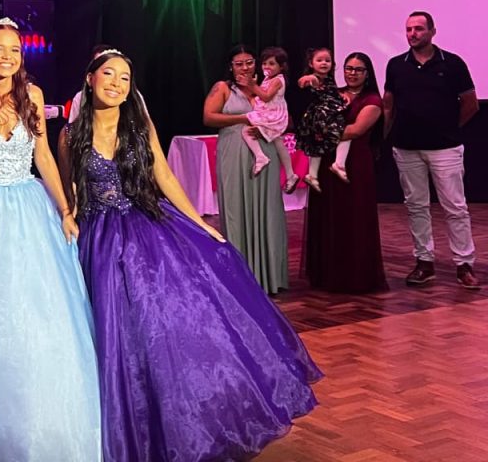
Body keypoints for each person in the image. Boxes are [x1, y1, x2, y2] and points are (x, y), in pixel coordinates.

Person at [60, 50, 321, 462]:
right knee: (110, 331)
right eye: (108, 74)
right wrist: (68, 225)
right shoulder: (70, 135)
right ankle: (123, 423)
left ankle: (182, 419)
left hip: (145, 226)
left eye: (125, 78)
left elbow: (163, 175)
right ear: (90, 79)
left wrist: (200, 224)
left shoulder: (139, 125)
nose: (116, 83)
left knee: (162, 323)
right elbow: (71, 188)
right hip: (99, 236)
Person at [0, 17, 100, 461]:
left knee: (38, 308)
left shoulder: (32, 95)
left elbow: (44, 156)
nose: (8, 56)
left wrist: (65, 209)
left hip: (29, 207)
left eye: (15, 49)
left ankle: (41, 410)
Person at [385, 11, 480, 290]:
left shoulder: (452, 63)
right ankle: (424, 263)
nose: (412, 34)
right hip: (406, 148)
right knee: (416, 207)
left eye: (418, 29)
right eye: (408, 29)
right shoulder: (396, 65)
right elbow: (388, 105)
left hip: (445, 148)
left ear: (432, 31)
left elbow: (471, 104)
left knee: (455, 207)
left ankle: (464, 265)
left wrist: (448, 128)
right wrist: (382, 139)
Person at [203, 45, 288, 295]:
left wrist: (266, 125)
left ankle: (269, 276)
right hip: (233, 151)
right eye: (239, 63)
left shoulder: (266, 87)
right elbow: (209, 117)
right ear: (231, 66)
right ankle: (241, 277)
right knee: (236, 208)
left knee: (267, 209)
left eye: (249, 62)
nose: (245, 67)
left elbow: (283, 116)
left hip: (265, 151)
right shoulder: (223, 88)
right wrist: (244, 119)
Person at [306, 52, 388, 294]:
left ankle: (354, 276)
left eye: (358, 69)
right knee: (328, 215)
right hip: (327, 163)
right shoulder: (335, 93)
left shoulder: (372, 101)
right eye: (348, 68)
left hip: (355, 167)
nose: (352, 73)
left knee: (353, 218)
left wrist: (321, 132)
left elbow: (355, 130)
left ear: (367, 73)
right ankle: (326, 274)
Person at [237, 47, 299, 191]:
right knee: (278, 142)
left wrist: (252, 85)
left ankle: (260, 157)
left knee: (246, 130)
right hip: (267, 112)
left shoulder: (277, 80)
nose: (267, 67)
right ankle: (290, 174)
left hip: (272, 115)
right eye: (264, 63)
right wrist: (252, 87)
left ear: (281, 66)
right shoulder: (268, 79)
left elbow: (266, 97)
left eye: (271, 63)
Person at [296, 47, 349, 192]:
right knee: (343, 133)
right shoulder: (315, 78)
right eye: (319, 60)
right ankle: (338, 164)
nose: (324, 63)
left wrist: (341, 96)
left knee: (318, 146)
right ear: (311, 63)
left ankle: (312, 175)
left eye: (327, 60)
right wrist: (307, 79)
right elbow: (304, 81)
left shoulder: (329, 79)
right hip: (321, 117)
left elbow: (331, 93)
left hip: (326, 116)